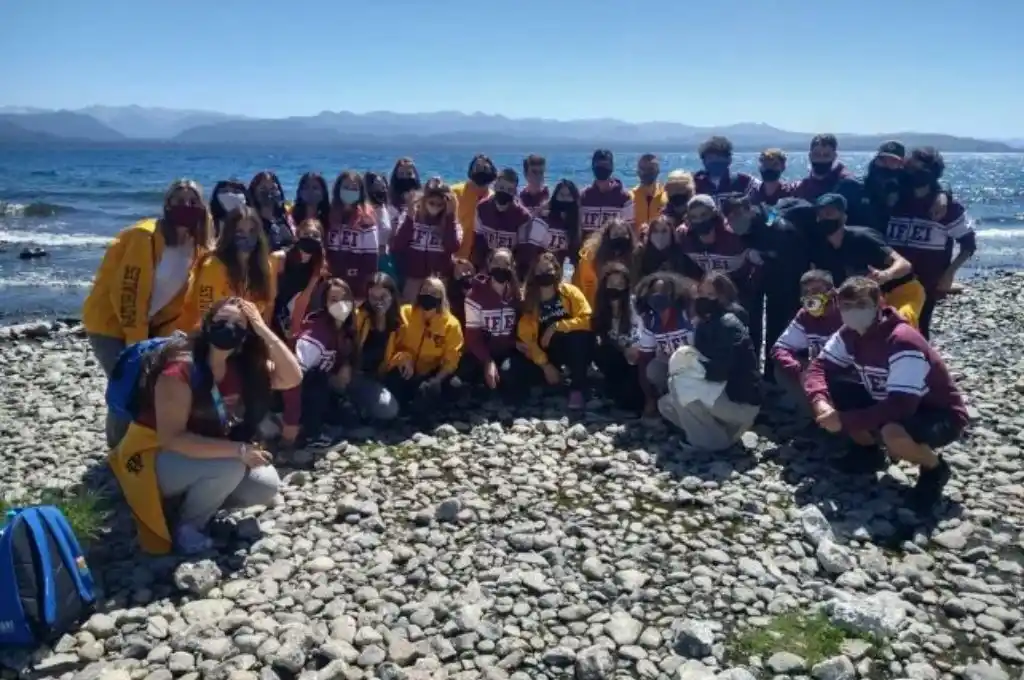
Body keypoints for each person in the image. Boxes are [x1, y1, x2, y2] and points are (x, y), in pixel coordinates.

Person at [108, 298, 301, 555]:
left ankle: (189, 501)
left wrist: (263, 328)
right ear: (207, 324)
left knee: (264, 485)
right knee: (231, 465)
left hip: (198, 454)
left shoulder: (242, 366)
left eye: (239, 324)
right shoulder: (179, 369)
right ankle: (189, 527)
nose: (229, 328)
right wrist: (238, 451)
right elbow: (173, 439)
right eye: (222, 320)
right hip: (154, 455)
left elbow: (293, 376)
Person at [803, 277, 966, 510]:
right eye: (846, 306)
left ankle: (934, 469)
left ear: (879, 302)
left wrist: (843, 421)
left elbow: (902, 406)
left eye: (861, 305)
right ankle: (867, 452)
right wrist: (820, 401)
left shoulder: (902, 340)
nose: (852, 312)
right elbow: (819, 367)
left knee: (892, 434)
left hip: (937, 413)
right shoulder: (849, 333)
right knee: (835, 385)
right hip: (887, 400)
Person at [83, 178, 212, 448]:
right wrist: (137, 343)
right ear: (167, 204)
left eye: (192, 202)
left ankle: (143, 445)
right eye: (179, 200)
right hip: (111, 324)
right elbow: (129, 293)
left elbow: (179, 300)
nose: (185, 206)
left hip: (150, 326)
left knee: (151, 387)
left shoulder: (197, 245)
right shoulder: (145, 236)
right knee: (128, 385)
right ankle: (117, 451)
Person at [658, 276, 761, 450]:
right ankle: (722, 433)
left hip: (739, 400)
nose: (704, 299)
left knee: (679, 384)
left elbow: (720, 371)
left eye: (711, 294)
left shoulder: (729, 323)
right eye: (701, 293)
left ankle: (710, 443)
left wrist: (690, 363)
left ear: (723, 296)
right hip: (720, 393)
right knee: (667, 404)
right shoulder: (706, 321)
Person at [883, 147, 977, 338]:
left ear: (931, 174)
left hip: (926, 282)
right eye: (909, 169)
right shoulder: (895, 200)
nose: (913, 175)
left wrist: (949, 274)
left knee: (918, 330)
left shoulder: (946, 209)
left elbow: (968, 244)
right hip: (891, 279)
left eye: (920, 171)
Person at [722, 195, 817, 381]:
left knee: (779, 324)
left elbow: (792, 253)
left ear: (749, 210)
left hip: (789, 274)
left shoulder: (775, 227)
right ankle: (756, 371)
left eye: (738, 213)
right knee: (754, 322)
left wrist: (764, 256)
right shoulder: (760, 216)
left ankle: (777, 376)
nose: (734, 219)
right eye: (730, 216)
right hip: (765, 272)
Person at [810, 193, 926, 328]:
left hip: (901, 291)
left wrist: (886, 275)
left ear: (843, 217)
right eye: (820, 215)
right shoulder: (821, 249)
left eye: (829, 213)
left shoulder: (863, 237)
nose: (824, 218)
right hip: (868, 299)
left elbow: (905, 265)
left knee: (901, 322)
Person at [281, 278, 357, 448]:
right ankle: (309, 433)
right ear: (325, 303)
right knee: (317, 380)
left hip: (325, 386)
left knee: (349, 416)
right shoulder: (315, 335)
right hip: (298, 389)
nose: (341, 305)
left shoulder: (346, 328)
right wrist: (290, 420)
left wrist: (345, 365)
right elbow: (292, 378)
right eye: (334, 300)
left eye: (345, 299)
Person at [177, 206, 276, 331]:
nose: (246, 237)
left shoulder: (264, 265)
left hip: (242, 334)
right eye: (239, 231)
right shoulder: (213, 266)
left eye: (252, 231)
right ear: (230, 234)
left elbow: (267, 307)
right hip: (203, 335)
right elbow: (207, 315)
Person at [518, 253, 593, 410]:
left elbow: (587, 319)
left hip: (570, 345)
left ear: (557, 271)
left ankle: (577, 388)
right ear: (534, 274)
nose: (545, 273)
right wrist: (545, 365)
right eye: (540, 270)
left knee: (580, 337)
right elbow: (526, 339)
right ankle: (551, 379)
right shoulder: (530, 301)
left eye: (549, 269)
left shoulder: (570, 292)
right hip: (544, 351)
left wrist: (557, 327)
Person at [770, 269, 845, 414]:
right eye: (806, 292)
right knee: (781, 370)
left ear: (832, 291)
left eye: (817, 290)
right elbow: (779, 349)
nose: (811, 295)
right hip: (823, 372)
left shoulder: (847, 311)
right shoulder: (805, 315)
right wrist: (799, 370)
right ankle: (818, 417)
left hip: (852, 374)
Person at [384, 276, 464, 410]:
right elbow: (392, 345)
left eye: (434, 293)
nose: (428, 295)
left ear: (441, 298)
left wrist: (436, 380)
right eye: (425, 290)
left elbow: (452, 359)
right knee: (394, 383)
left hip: (431, 372)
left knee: (454, 387)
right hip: (406, 369)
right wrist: (403, 358)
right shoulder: (405, 312)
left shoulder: (451, 324)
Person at [460, 248, 530, 396]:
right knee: (464, 376)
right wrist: (487, 361)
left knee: (511, 378)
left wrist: (515, 343)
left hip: (506, 352)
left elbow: (519, 329)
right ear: (489, 264)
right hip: (482, 352)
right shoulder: (474, 296)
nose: (501, 267)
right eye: (496, 262)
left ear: (512, 267)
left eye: (506, 263)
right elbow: (473, 338)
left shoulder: (516, 296)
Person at [634, 271, 696, 416]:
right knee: (652, 369)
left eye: (664, 291)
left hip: (694, 367)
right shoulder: (650, 321)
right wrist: (649, 398)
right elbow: (645, 358)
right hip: (671, 367)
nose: (658, 296)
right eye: (654, 292)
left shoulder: (687, 315)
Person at [392, 178, 463, 302]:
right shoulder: (409, 216)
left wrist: (450, 216)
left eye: (440, 204)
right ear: (424, 200)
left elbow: (453, 247)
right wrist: (410, 218)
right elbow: (398, 245)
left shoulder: (452, 222)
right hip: (413, 279)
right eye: (431, 203)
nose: (435, 207)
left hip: (439, 281)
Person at [349, 273, 404, 421]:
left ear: (392, 296)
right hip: (356, 375)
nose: (378, 302)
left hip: (381, 375)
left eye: (383, 297)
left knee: (390, 409)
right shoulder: (358, 317)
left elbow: (404, 349)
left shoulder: (400, 320)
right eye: (373, 297)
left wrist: (407, 358)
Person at [590, 263, 645, 411]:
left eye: (620, 284)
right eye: (612, 284)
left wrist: (636, 349)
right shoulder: (600, 312)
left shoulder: (637, 305)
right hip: (618, 357)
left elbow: (643, 331)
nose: (616, 288)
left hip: (639, 357)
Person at [325, 170, 379, 300]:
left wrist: (364, 290)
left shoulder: (367, 220)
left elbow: (371, 261)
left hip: (356, 288)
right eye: (346, 187)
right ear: (338, 189)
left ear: (360, 192)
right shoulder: (329, 215)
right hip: (329, 285)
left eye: (354, 188)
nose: (349, 191)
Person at [272, 218, 325, 343]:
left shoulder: (317, 265)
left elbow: (304, 299)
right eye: (306, 234)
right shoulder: (280, 258)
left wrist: (295, 330)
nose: (310, 238)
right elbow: (270, 297)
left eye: (315, 235)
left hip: (288, 314)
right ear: (297, 236)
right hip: (273, 308)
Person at [472, 167, 532, 268]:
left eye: (509, 190)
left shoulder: (523, 216)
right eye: (501, 187)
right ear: (495, 186)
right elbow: (478, 241)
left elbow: (522, 250)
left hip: (509, 266)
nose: (504, 192)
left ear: (514, 192)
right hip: (486, 264)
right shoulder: (481, 208)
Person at [574, 217, 638, 306]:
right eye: (615, 234)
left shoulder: (635, 257)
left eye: (623, 234)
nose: (620, 237)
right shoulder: (590, 258)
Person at [519, 179, 581, 269]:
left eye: (568, 196)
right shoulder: (544, 218)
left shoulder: (573, 224)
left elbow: (573, 257)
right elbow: (530, 250)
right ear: (555, 196)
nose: (565, 199)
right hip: (536, 271)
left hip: (556, 273)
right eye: (562, 195)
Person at [579, 149, 634, 241]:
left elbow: (629, 230)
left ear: (611, 167)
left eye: (605, 165)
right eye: (599, 165)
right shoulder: (583, 197)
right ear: (593, 167)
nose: (602, 168)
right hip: (586, 252)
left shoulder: (624, 198)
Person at [453, 154, 497, 260]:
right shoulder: (455, 193)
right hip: (455, 257)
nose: (481, 171)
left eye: (485, 168)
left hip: (482, 260)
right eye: (478, 168)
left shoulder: (494, 198)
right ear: (471, 171)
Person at [692, 136, 759, 205]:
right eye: (710, 157)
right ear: (703, 161)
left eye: (720, 156)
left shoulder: (744, 181)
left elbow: (766, 194)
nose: (715, 160)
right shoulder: (693, 183)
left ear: (729, 159)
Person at [793, 134, 852, 202]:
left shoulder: (846, 184)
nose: (821, 159)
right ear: (810, 156)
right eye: (817, 155)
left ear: (834, 156)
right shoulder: (802, 187)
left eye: (826, 155)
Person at [248, 171, 295, 252]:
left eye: (273, 188)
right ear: (254, 192)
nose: (269, 193)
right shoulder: (249, 220)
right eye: (263, 189)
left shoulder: (285, 217)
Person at [635, 215, 687, 279]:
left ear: (671, 233)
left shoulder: (681, 253)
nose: (660, 235)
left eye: (664, 231)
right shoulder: (641, 253)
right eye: (655, 231)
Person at [632, 153, 665, 228]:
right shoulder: (630, 197)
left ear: (658, 171)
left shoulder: (666, 196)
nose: (646, 172)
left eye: (651, 169)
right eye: (643, 169)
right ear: (637, 171)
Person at [364, 171, 394, 251]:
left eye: (383, 187)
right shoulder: (364, 213)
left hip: (384, 255)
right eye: (376, 187)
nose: (381, 190)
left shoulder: (388, 209)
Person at [447, 258, 476, 328]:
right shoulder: (451, 284)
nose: (464, 272)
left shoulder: (471, 283)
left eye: (467, 269)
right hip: (456, 314)